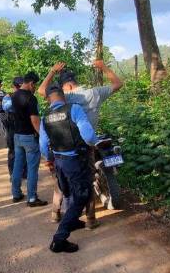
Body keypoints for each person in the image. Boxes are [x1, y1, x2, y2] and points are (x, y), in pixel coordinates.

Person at [38, 59, 123, 227]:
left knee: (61, 182)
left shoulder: (66, 97)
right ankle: (90, 219)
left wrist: (53, 71)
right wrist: (103, 67)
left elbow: (42, 90)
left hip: (65, 148)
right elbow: (118, 84)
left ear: (66, 87)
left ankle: (56, 213)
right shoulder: (94, 93)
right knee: (87, 181)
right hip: (88, 146)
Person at [40, 84, 99, 253]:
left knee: (69, 193)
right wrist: (95, 145)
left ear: (48, 99)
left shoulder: (46, 117)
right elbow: (88, 136)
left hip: (59, 161)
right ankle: (59, 239)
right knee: (82, 195)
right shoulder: (74, 109)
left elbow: (43, 146)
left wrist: (51, 160)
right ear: (63, 96)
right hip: (75, 161)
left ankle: (72, 221)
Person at [11, 71, 47, 206]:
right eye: (35, 85)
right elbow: (35, 121)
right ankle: (32, 198)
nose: (35, 88)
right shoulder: (31, 98)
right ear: (31, 83)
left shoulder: (14, 95)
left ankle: (16, 193)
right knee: (32, 169)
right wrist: (43, 136)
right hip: (29, 138)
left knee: (18, 166)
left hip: (17, 136)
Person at [2, 76, 26, 178]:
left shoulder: (28, 96)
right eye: (19, 87)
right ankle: (12, 173)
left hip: (24, 126)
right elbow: (5, 107)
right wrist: (17, 97)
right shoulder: (8, 96)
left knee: (24, 150)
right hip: (12, 126)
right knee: (12, 151)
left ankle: (24, 173)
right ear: (14, 87)